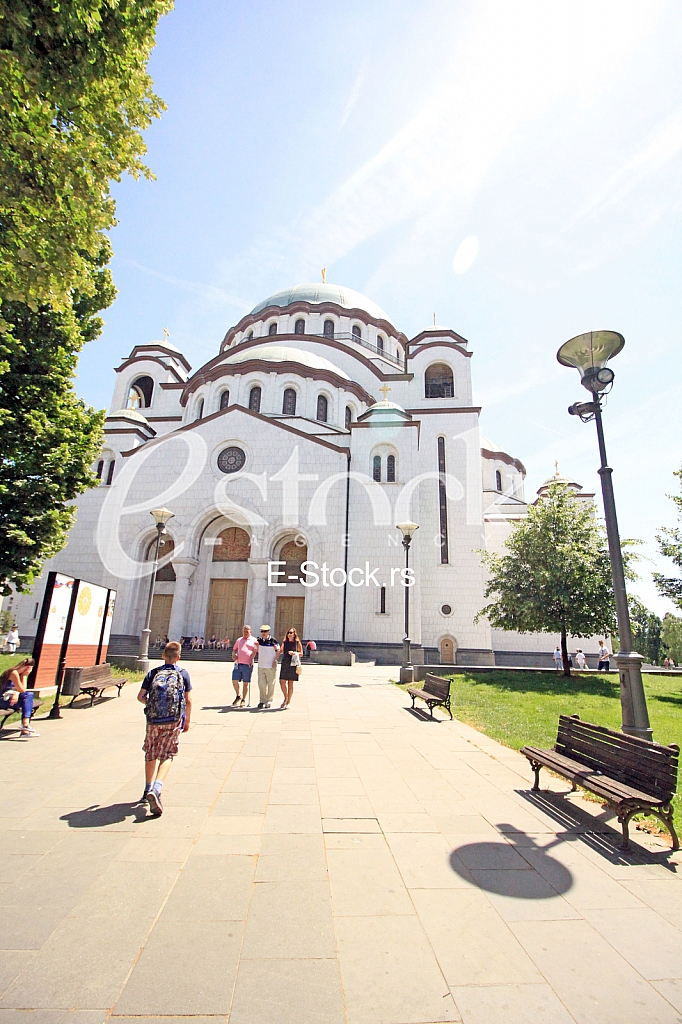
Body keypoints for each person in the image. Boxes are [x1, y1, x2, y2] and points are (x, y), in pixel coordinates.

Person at [137, 640, 192, 816]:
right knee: (168, 754)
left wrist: (152, 705)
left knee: (151, 752)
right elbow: (189, 700)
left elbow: (140, 696)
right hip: (173, 719)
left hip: (153, 720)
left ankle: (147, 789)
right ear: (178, 657)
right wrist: (187, 720)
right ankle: (157, 788)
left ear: (163, 656)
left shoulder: (153, 673)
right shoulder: (183, 673)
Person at [0, 658, 39, 737]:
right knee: (28, 700)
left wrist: (17, 694)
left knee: (29, 696)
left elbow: (21, 690)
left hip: (7, 698)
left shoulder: (17, 673)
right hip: (2, 700)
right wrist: (24, 676)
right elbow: (22, 689)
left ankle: (25, 727)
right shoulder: (13, 673)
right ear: (28, 667)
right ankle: (25, 727)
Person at [232, 625, 258, 706]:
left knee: (245, 683)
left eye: (247, 631)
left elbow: (255, 651)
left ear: (250, 632)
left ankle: (243, 699)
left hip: (248, 665)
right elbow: (234, 649)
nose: (245, 633)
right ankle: (238, 695)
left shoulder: (254, 640)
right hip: (238, 663)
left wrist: (251, 659)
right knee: (234, 680)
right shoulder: (239, 640)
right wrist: (233, 654)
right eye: (244, 631)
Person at [256, 624, 280, 709]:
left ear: (268, 631)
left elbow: (278, 651)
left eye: (265, 631)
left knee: (271, 683)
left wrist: (275, 661)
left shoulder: (273, 641)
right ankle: (262, 700)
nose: (263, 633)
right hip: (261, 665)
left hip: (270, 666)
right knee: (261, 683)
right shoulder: (259, 641)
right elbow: (256, 650)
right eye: (262, 631)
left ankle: (269, 700)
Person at [279, 627, 303, 708]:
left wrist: (295, 653)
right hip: (285, 663)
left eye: (291, 633)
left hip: (293, 664)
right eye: (288, 633)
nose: (289, 634)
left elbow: (301, 653)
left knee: (290, 683)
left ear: (294, 634)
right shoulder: (285, 642)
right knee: (282, 681)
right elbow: (280, 650)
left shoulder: (297, 643)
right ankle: (286, 697)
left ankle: (288, 701)